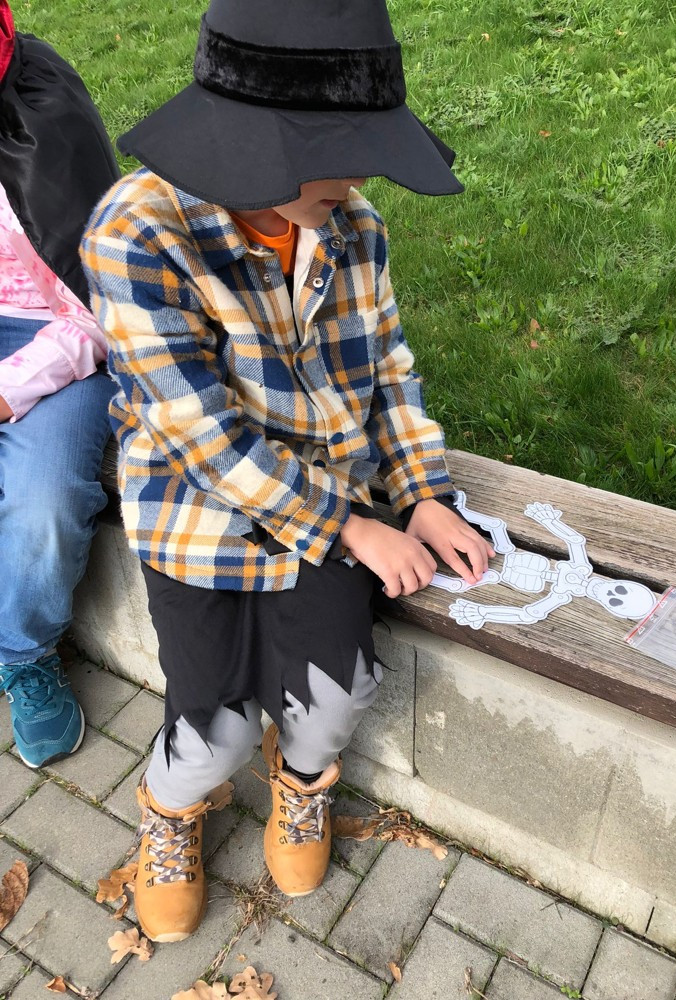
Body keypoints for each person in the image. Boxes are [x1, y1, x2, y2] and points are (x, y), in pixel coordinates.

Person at [81, 0, 494, 944]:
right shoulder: (137, 232)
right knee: (214, 729)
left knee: (336, 695)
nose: (359, 178)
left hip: (330, 497)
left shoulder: (352, 224)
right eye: (338, 152)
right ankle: (171, 807)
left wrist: (423, 494)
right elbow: (204, 437)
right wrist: (353, 525)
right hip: (198, 515)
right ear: (245, 142)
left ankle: (301, 787)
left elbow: (387, 372)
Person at [0, 1, 119, 767]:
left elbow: (103, 310)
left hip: (59, 337)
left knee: (44, 500)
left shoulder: (45, 125)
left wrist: (10, 389)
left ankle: (24, 655)